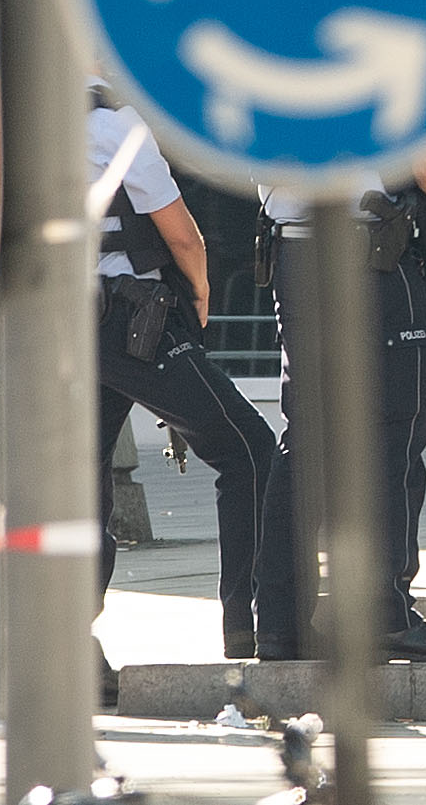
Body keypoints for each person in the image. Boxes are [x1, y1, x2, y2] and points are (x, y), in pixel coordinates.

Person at [86, 80, 275, 662]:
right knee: (249, 448)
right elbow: (183, 236)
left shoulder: (6, 114)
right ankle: (251, 622)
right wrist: (198, 298)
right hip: (129, 320)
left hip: (54, 323)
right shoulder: (114, 123)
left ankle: (68, 644)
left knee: (78, 484)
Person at [254, 154, 426, 662]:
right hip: (370, 256)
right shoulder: (362, 72)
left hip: (293, 253)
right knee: (394, 433)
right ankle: (385, 616)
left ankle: (280, 624)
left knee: (305, 441)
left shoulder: (266, 74)